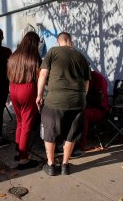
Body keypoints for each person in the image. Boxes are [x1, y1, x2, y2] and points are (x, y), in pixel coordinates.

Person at [36, 32, 91, 176]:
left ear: (58, 41)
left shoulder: (53, 52)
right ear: (70, 41)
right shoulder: (82, 57)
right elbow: (86, 82)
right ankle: (65, 165)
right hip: (78, 102)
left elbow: (42, 74)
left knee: (50, 132)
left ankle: (51, 165)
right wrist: (81, 97)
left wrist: (39, 95)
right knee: (71, 134)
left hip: (55, 101)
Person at [7, 31, 41, 170]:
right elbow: (40, 78)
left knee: (20, 122)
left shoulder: (14, 56)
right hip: (28, 89)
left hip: (14, 88)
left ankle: (18, 152)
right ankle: (23, 159)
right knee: (27, 124)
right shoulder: (34, 57)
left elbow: (9, 74)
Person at [74, 70, 109, 156]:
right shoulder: (83, 78)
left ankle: (80, 146)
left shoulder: (97, 78)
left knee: (83, 114)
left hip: (100, 109)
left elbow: (99, 98)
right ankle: (67, 143)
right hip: (89, 105)